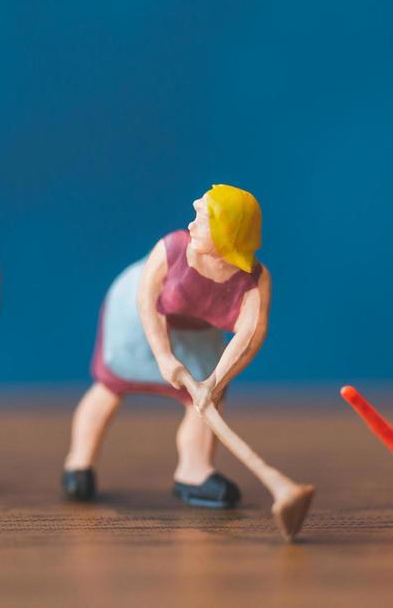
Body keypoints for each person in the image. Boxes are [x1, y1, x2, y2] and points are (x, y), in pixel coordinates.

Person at [62, 184, 270, 508]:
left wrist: (216, 381)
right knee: (112, 384)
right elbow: (146, 297)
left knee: (204, 402)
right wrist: (163, 356)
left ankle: (194, 471)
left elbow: (249, 335)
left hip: (193, 333)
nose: (190, 225)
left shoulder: (253, 280)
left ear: (226, 231)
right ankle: (79, 462)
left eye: (200, 219)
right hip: (136, 317)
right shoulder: (173, 248)